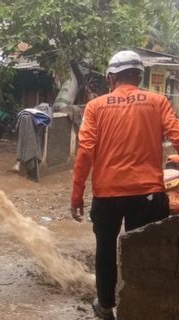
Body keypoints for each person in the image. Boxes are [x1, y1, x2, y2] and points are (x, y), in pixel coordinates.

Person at [71, 50, 179, 320]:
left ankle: (106, 307)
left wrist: (76, 195)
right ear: (139, 76)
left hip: (107, 194)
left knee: (105, 249)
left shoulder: (96, 107)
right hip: (149, 194)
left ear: (110, 77)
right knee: (146, 252)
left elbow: (85, 151)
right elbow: (177, 137)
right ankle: (145, 308)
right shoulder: (158, 101)